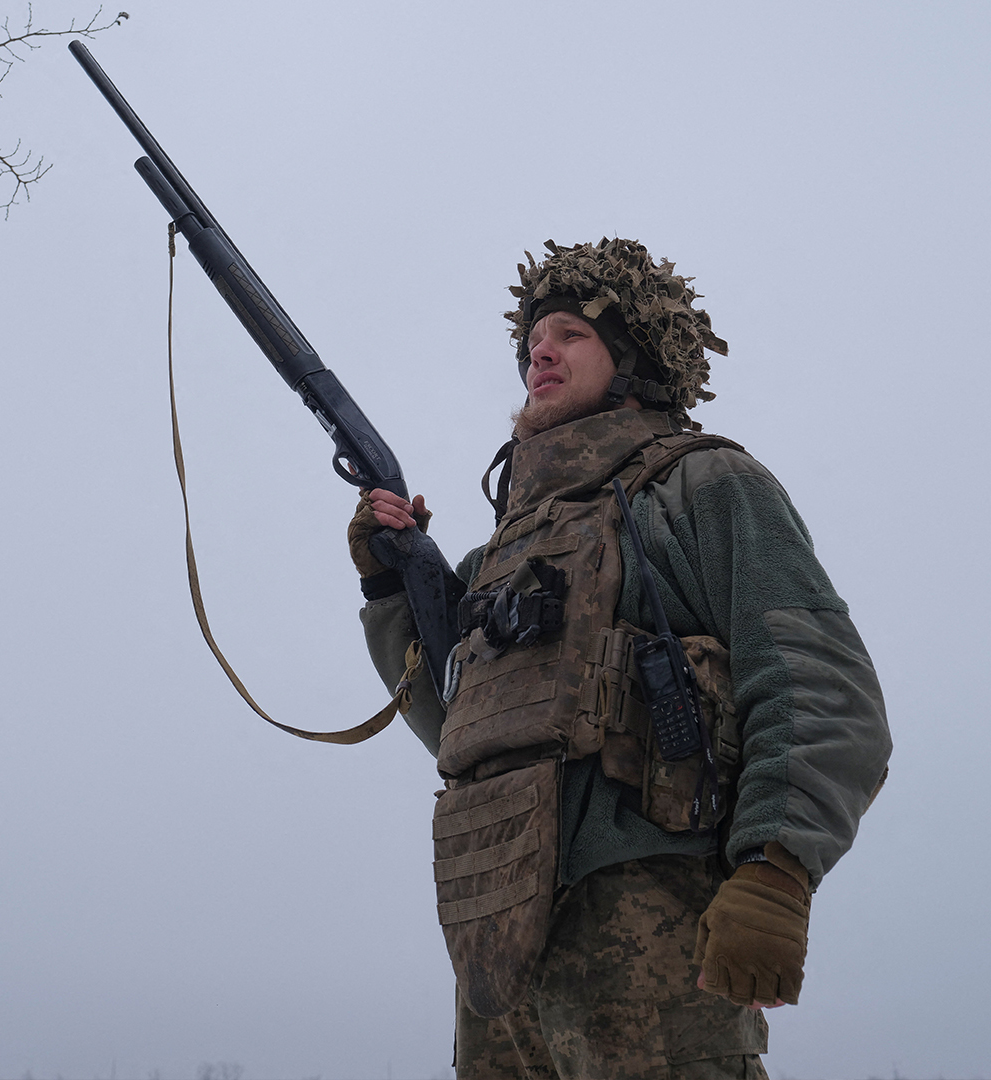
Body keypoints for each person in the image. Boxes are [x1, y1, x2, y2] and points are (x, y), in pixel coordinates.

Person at [349, 238, 891, 1080]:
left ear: (634, 360)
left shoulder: (704, 486)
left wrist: (775, 869)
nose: (541, 351)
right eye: (534, 339)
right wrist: (392, 589)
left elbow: (820, 687)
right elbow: (460, 730)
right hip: (500, 942)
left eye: (571, 334)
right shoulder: (503, 551)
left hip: (655, 926)